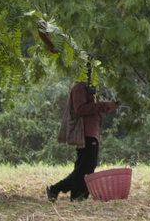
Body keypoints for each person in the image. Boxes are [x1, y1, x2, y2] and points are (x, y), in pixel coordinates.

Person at [48, 61, 120, 202]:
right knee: (84, 169)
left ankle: (64, 191)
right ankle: (73, 195)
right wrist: (103, 105)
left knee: (86, 167)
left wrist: (110, 106)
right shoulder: (79, 86)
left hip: (93, 132)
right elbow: (80, 109)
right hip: (85, 132)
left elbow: (94, 108)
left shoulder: (90, 89)